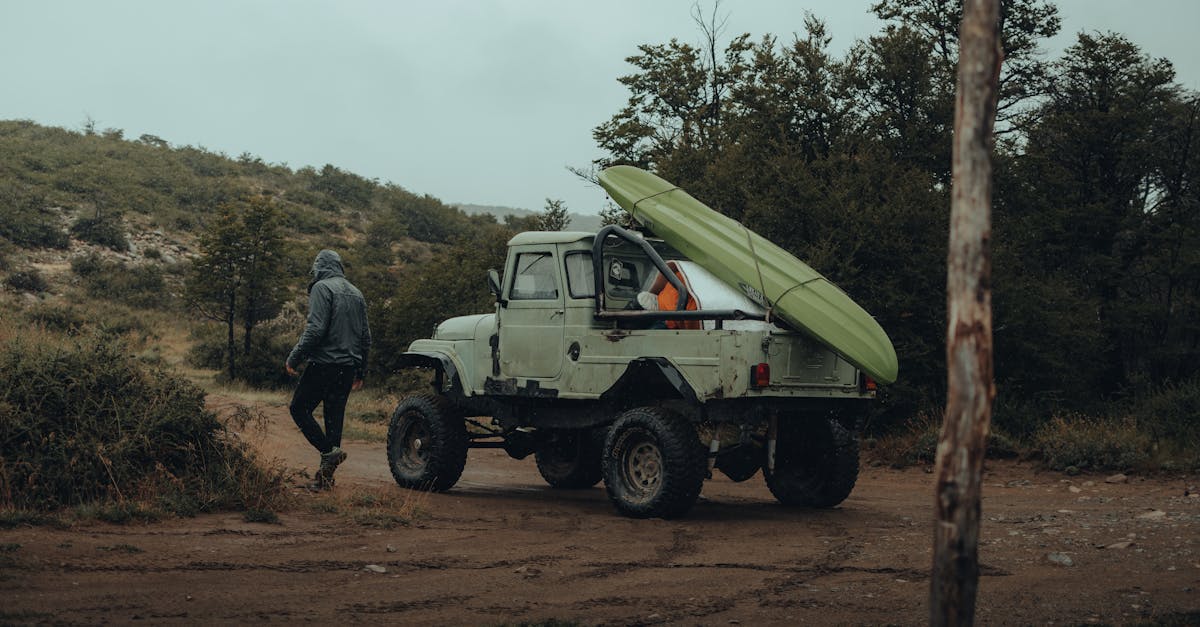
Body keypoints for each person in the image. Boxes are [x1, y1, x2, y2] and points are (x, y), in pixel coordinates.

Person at [285, 249, 371, 490]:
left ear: (319, 267)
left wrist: (294, 357)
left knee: (299, 409)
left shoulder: (322, 288)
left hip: (323, 363)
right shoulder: (357, 293)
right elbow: (366, 337)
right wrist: (361, 370)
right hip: (347, 368)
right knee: (334, 419)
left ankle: (327, 452)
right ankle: (325, 481)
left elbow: (315, 329)